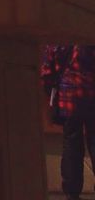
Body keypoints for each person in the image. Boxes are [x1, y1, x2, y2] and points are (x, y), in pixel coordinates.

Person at [41, 44, 95, 200]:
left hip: (69, 96)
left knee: (71, 144)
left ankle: (72, 193)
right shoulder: (87, 31)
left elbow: (47, 68)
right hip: (92, 93)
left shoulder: (60, 36)